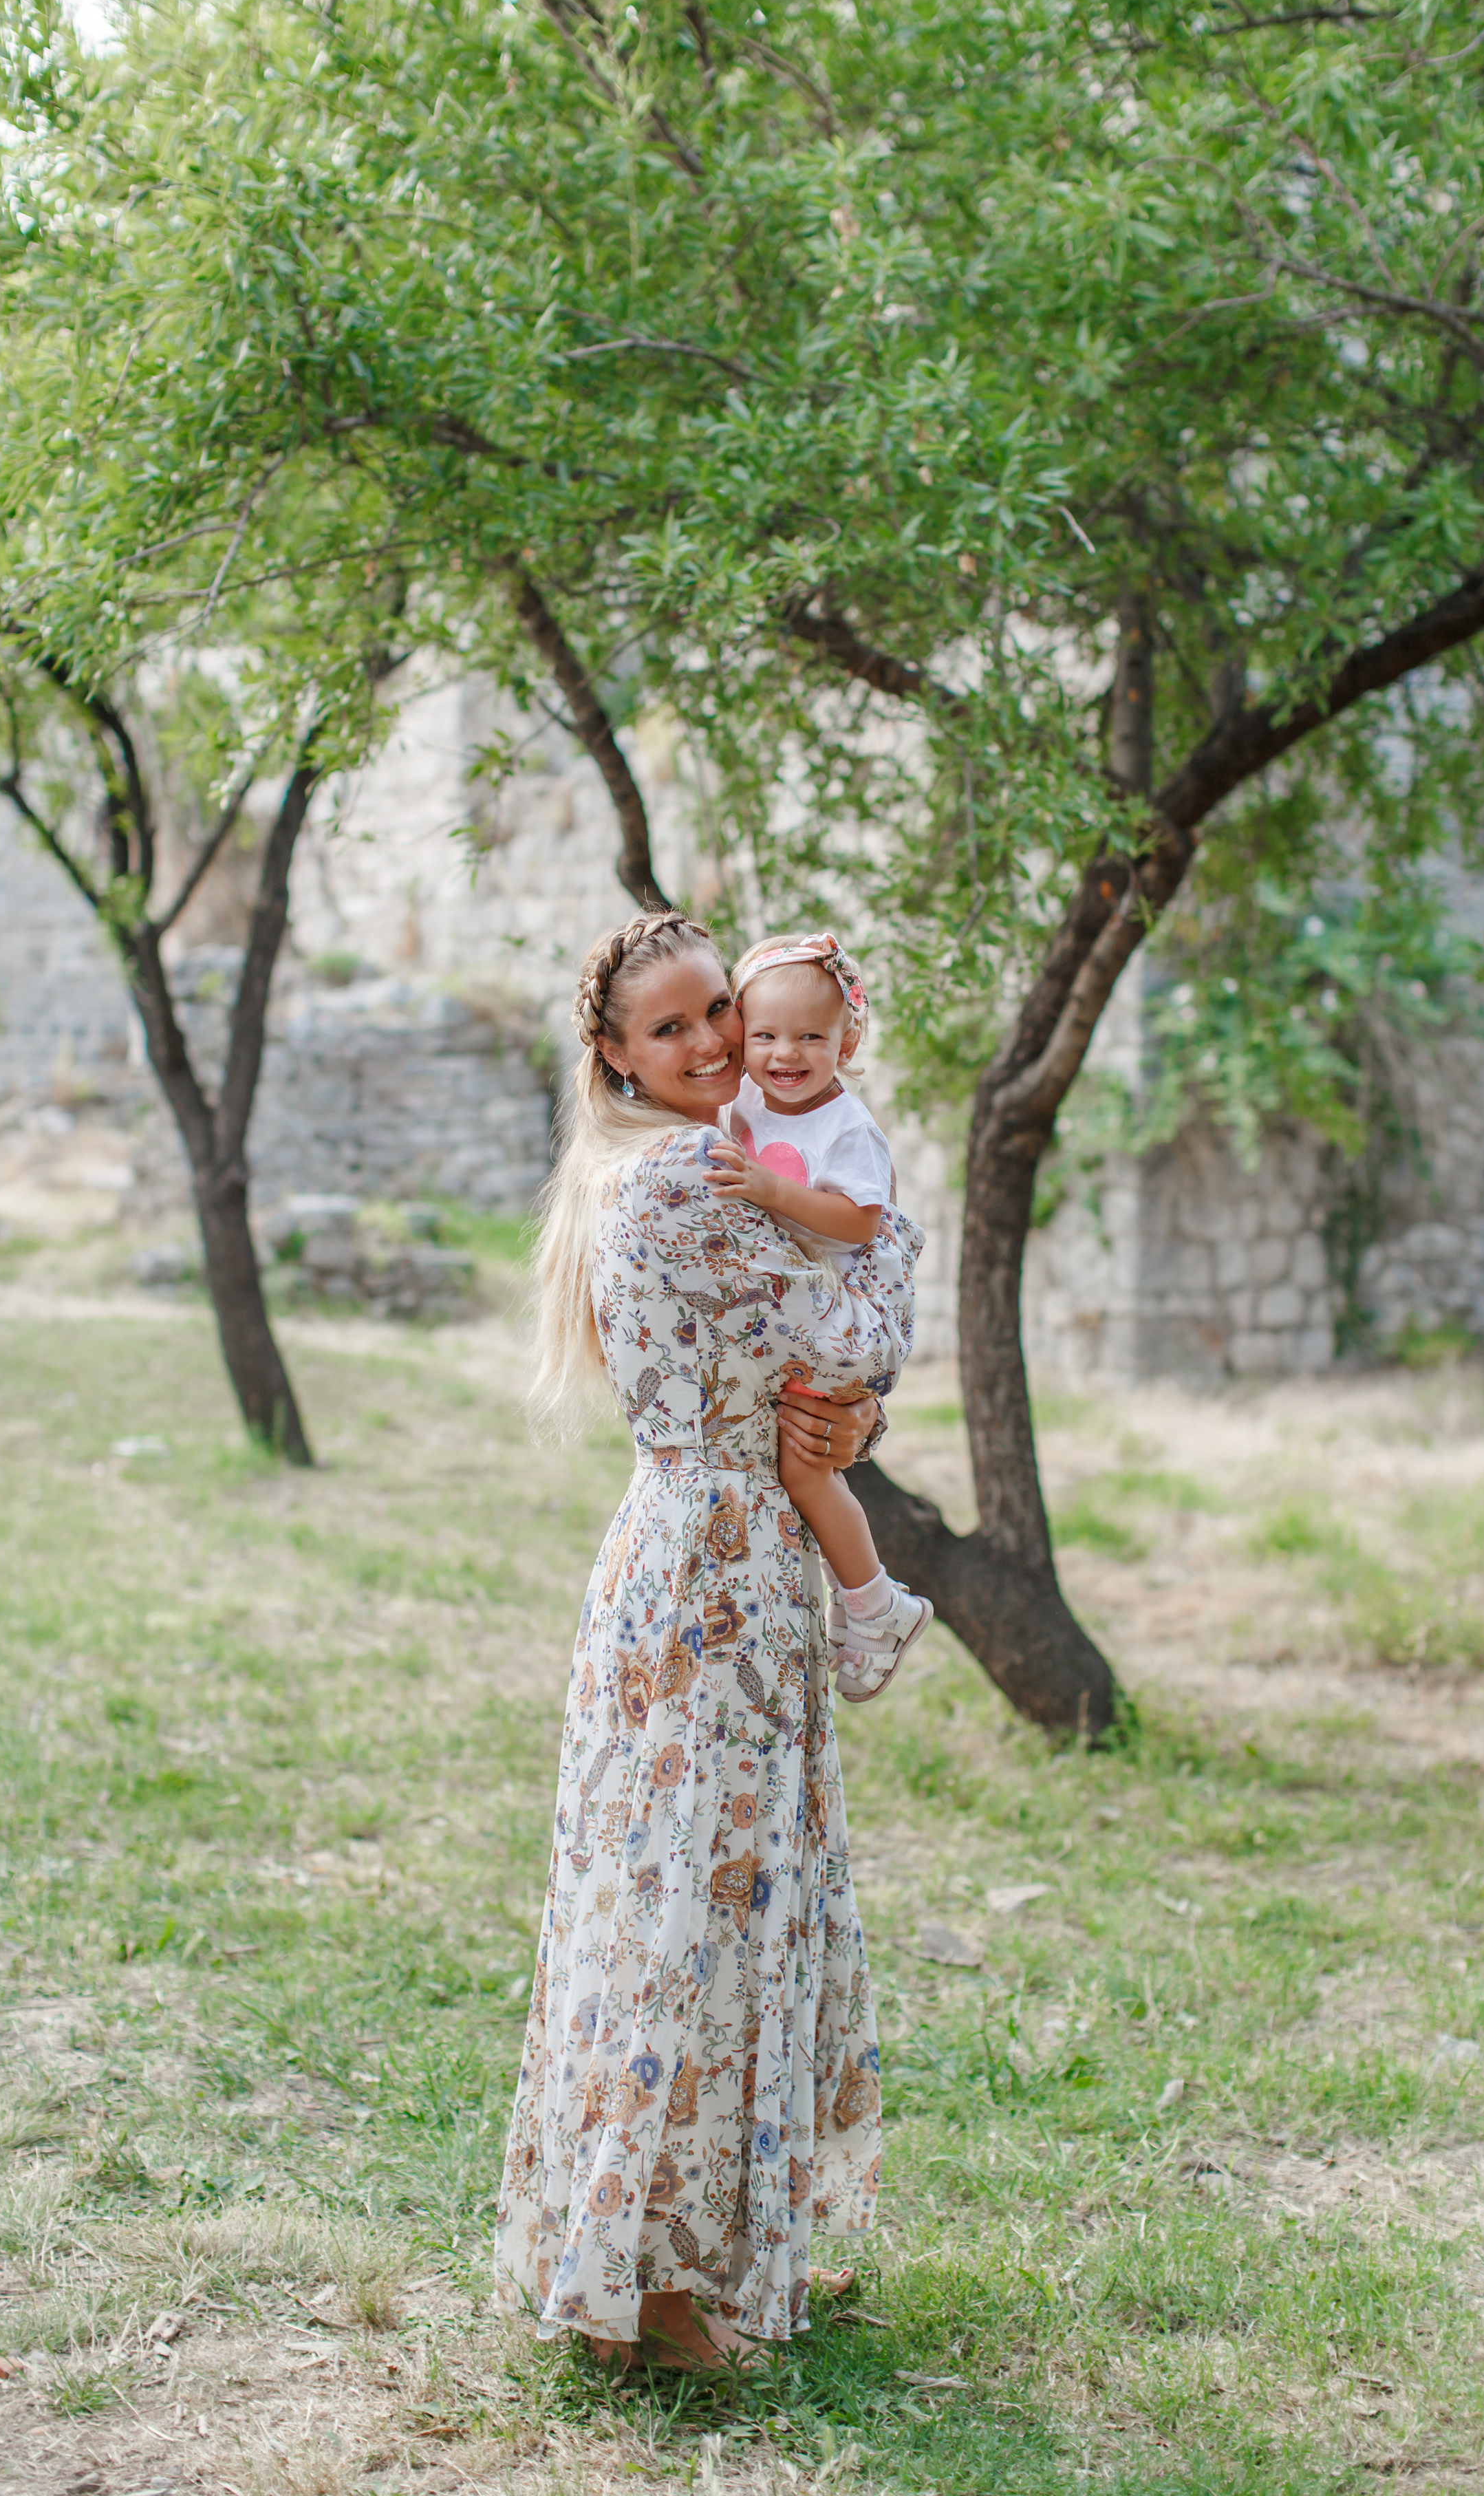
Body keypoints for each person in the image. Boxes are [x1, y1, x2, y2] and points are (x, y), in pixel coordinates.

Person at [495, 909, 923, 2372]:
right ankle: (655, 2298)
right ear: (613, 1055)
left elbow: (817, 1360)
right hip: (710, 1573)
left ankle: (715, 2250)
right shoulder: (686, 1172)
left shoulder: (698, 1161)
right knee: (688, 1915)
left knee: (726, 1898)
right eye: (668, 1028)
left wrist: (849, 1408)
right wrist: (866, 1362)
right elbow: (857, 1330)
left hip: (724, 1548)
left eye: (715, 1017)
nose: (709, 1047)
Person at [705, 932, 933, 1704]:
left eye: (811, 1036)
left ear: (849, 1038)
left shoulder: (845, 1128)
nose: (785, 1054)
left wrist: (771, 1193)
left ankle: (875, 1606)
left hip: (834, 1322)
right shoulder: (744, 1101)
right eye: (764, 1035)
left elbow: (858, 1221)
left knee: (805, 1465)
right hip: (788, 1317)